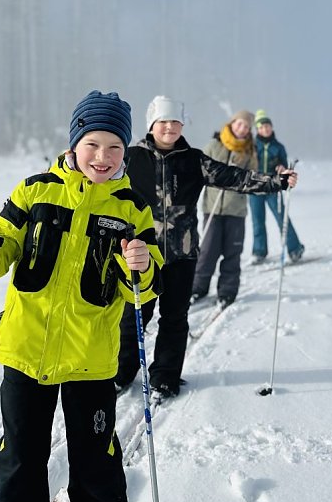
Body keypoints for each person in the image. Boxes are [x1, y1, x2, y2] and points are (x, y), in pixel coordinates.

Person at [0, 90, 163, 502]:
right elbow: (1, 248)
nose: (103, 157)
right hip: (26, 353)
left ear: (125, 151)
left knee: (94, 464)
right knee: (19, 460)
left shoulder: (134, 209)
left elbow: (145, 287)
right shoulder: (34, 191)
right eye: (93, 143)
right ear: (74, 142)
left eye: (114, 147)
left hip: (90, 362)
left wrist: (138, 266)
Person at [115, 96, 296, 401]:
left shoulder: (194, 160)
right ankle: (121, 373)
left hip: (182, 256)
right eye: (163, 122)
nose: (169, 128)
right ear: (152, 125)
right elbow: (96, 171)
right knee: (133, 317)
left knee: (175, 318)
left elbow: (236, 178)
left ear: (182, 125)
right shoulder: (129, 159)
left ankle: (165, 377)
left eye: (175, 122)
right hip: (141, 256)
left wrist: (276, 182)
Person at [191, 110, 261, 309]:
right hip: (212, 208)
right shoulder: (214, 145)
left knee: (232, 253)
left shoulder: (248, 152)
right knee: (207, 252)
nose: (242, 129)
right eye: (240, 124)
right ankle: (198, 287)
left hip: (236, 211)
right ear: (232, 123)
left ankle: (227, 291)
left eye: (247, 127)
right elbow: (199, 171)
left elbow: (253, 178)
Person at [249, 108, 304, 264]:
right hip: (255, 187)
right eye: (261, 127)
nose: (264, 129)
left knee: (282, 218)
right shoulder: (252, 145)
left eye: (267, 126)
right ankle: (259, 251)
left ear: (271, 127)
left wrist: (281, 168)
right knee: (257, 220)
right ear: (257, 130)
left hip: (274, 187)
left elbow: (285, 166)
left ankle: (295, 249)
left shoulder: (278, 147)